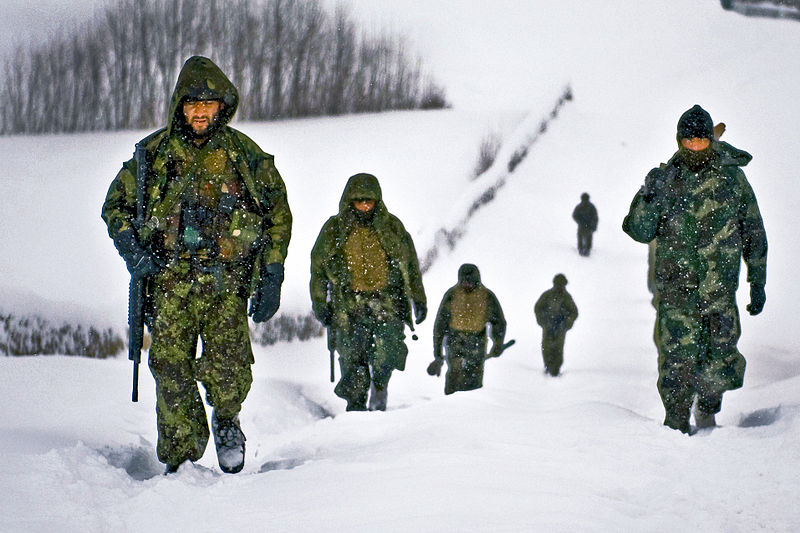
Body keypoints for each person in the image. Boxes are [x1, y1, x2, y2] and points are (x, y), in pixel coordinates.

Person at [101, 56, 292, 473]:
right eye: (193, 103)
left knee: (229, 363)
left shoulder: (243, 154)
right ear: (179, 105)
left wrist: (273, 272)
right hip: (170, 282)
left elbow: (277, 211)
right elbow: (113, 205)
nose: (202, 112)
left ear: (222, 105)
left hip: (226, 282)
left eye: (210, 103)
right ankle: (182, 455)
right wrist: (135, 253)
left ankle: (226, 422)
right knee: (170, 368)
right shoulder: (152, 154)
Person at [622, 104, 767, 434]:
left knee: (720, 360)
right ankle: (675, 425)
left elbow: (753, 230)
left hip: (719, 293)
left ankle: (707, 414)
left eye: (702, 143)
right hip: (678, 296)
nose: (696, 150)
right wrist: (648, 196)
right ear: (679, 142)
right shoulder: (667, 181)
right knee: (677, 365)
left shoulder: (732, 179)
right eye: (690, 144)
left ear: (710, 142)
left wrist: (758, 280)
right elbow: (639, 231)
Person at [310, 173, 426, 412]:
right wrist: (320, 303)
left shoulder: (392, 227)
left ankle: (380, 388)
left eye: (369, 200)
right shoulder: (334, 229)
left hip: (387, 303)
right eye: (359, 200)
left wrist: (418, 299)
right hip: (349, 305)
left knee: (388, 352)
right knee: (353, 360)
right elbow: (318, 267)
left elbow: (410, 264)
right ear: (350, 201)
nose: (364, 205)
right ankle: (356, 408)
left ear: (377, 200)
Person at [427, 264, 507, 395]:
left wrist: (498, 343)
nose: (467, 285)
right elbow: (440, 325)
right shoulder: (452, 295)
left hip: (477, 342)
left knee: (474, 379)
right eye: (464, 281)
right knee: (454, 374)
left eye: (470, 282)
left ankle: (471, 408)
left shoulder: (487, 296)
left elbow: (499, 323)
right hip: (455, 341)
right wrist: (437, 353)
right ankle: (449, 405)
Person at [534, 274, 578, 376]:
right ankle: (548, 366)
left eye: (561, 284)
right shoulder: (547, 295)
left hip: (560, 326)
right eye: (557, 284)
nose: (559, 286)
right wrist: (542, 321)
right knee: (546, 346)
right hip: (548, 324)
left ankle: (556, 368)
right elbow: (538, 308)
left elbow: (574, 312)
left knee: (558, 347)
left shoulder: (567, 297)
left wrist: (567, 323)